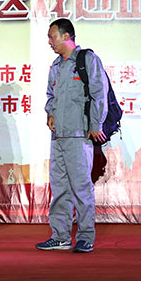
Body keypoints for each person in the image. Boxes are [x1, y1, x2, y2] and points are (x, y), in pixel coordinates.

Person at [36, 18, 109, 253]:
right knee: (60, 188)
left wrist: (96, 124)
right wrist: (50, 113)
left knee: (81, 188)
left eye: (52, 37)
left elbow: (99, 93)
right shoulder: (56, 65)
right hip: (58, 136)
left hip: (79, 134)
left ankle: (86, 236)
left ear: (66, 36)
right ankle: (60, 236)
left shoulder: (87, 60)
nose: (50, 42)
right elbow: (50, 95)